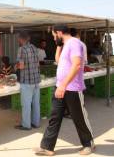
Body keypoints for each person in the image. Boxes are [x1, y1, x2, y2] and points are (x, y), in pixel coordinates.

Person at [35, 25, 95, 156]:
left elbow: (77, 64)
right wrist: (58, 45)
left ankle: (88, 144)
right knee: (55, 117)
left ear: (59, 33)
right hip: (60, 87)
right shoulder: (65, 45)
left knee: (79, 118)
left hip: (73, 89)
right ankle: (47, 147)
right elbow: (59, 61)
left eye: (54, 35)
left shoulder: (74, 43)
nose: (53, 38)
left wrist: (63, 85)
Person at [14, 31, 41, 130]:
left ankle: (26, 125)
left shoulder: (21, 49)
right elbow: (38, 63)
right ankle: (36, 123)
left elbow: (21, 66)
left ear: (21, 39)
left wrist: (15, 66)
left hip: (27, 81)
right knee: (36, 103)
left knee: (26, 104)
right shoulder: (34, 47)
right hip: (36, 80)